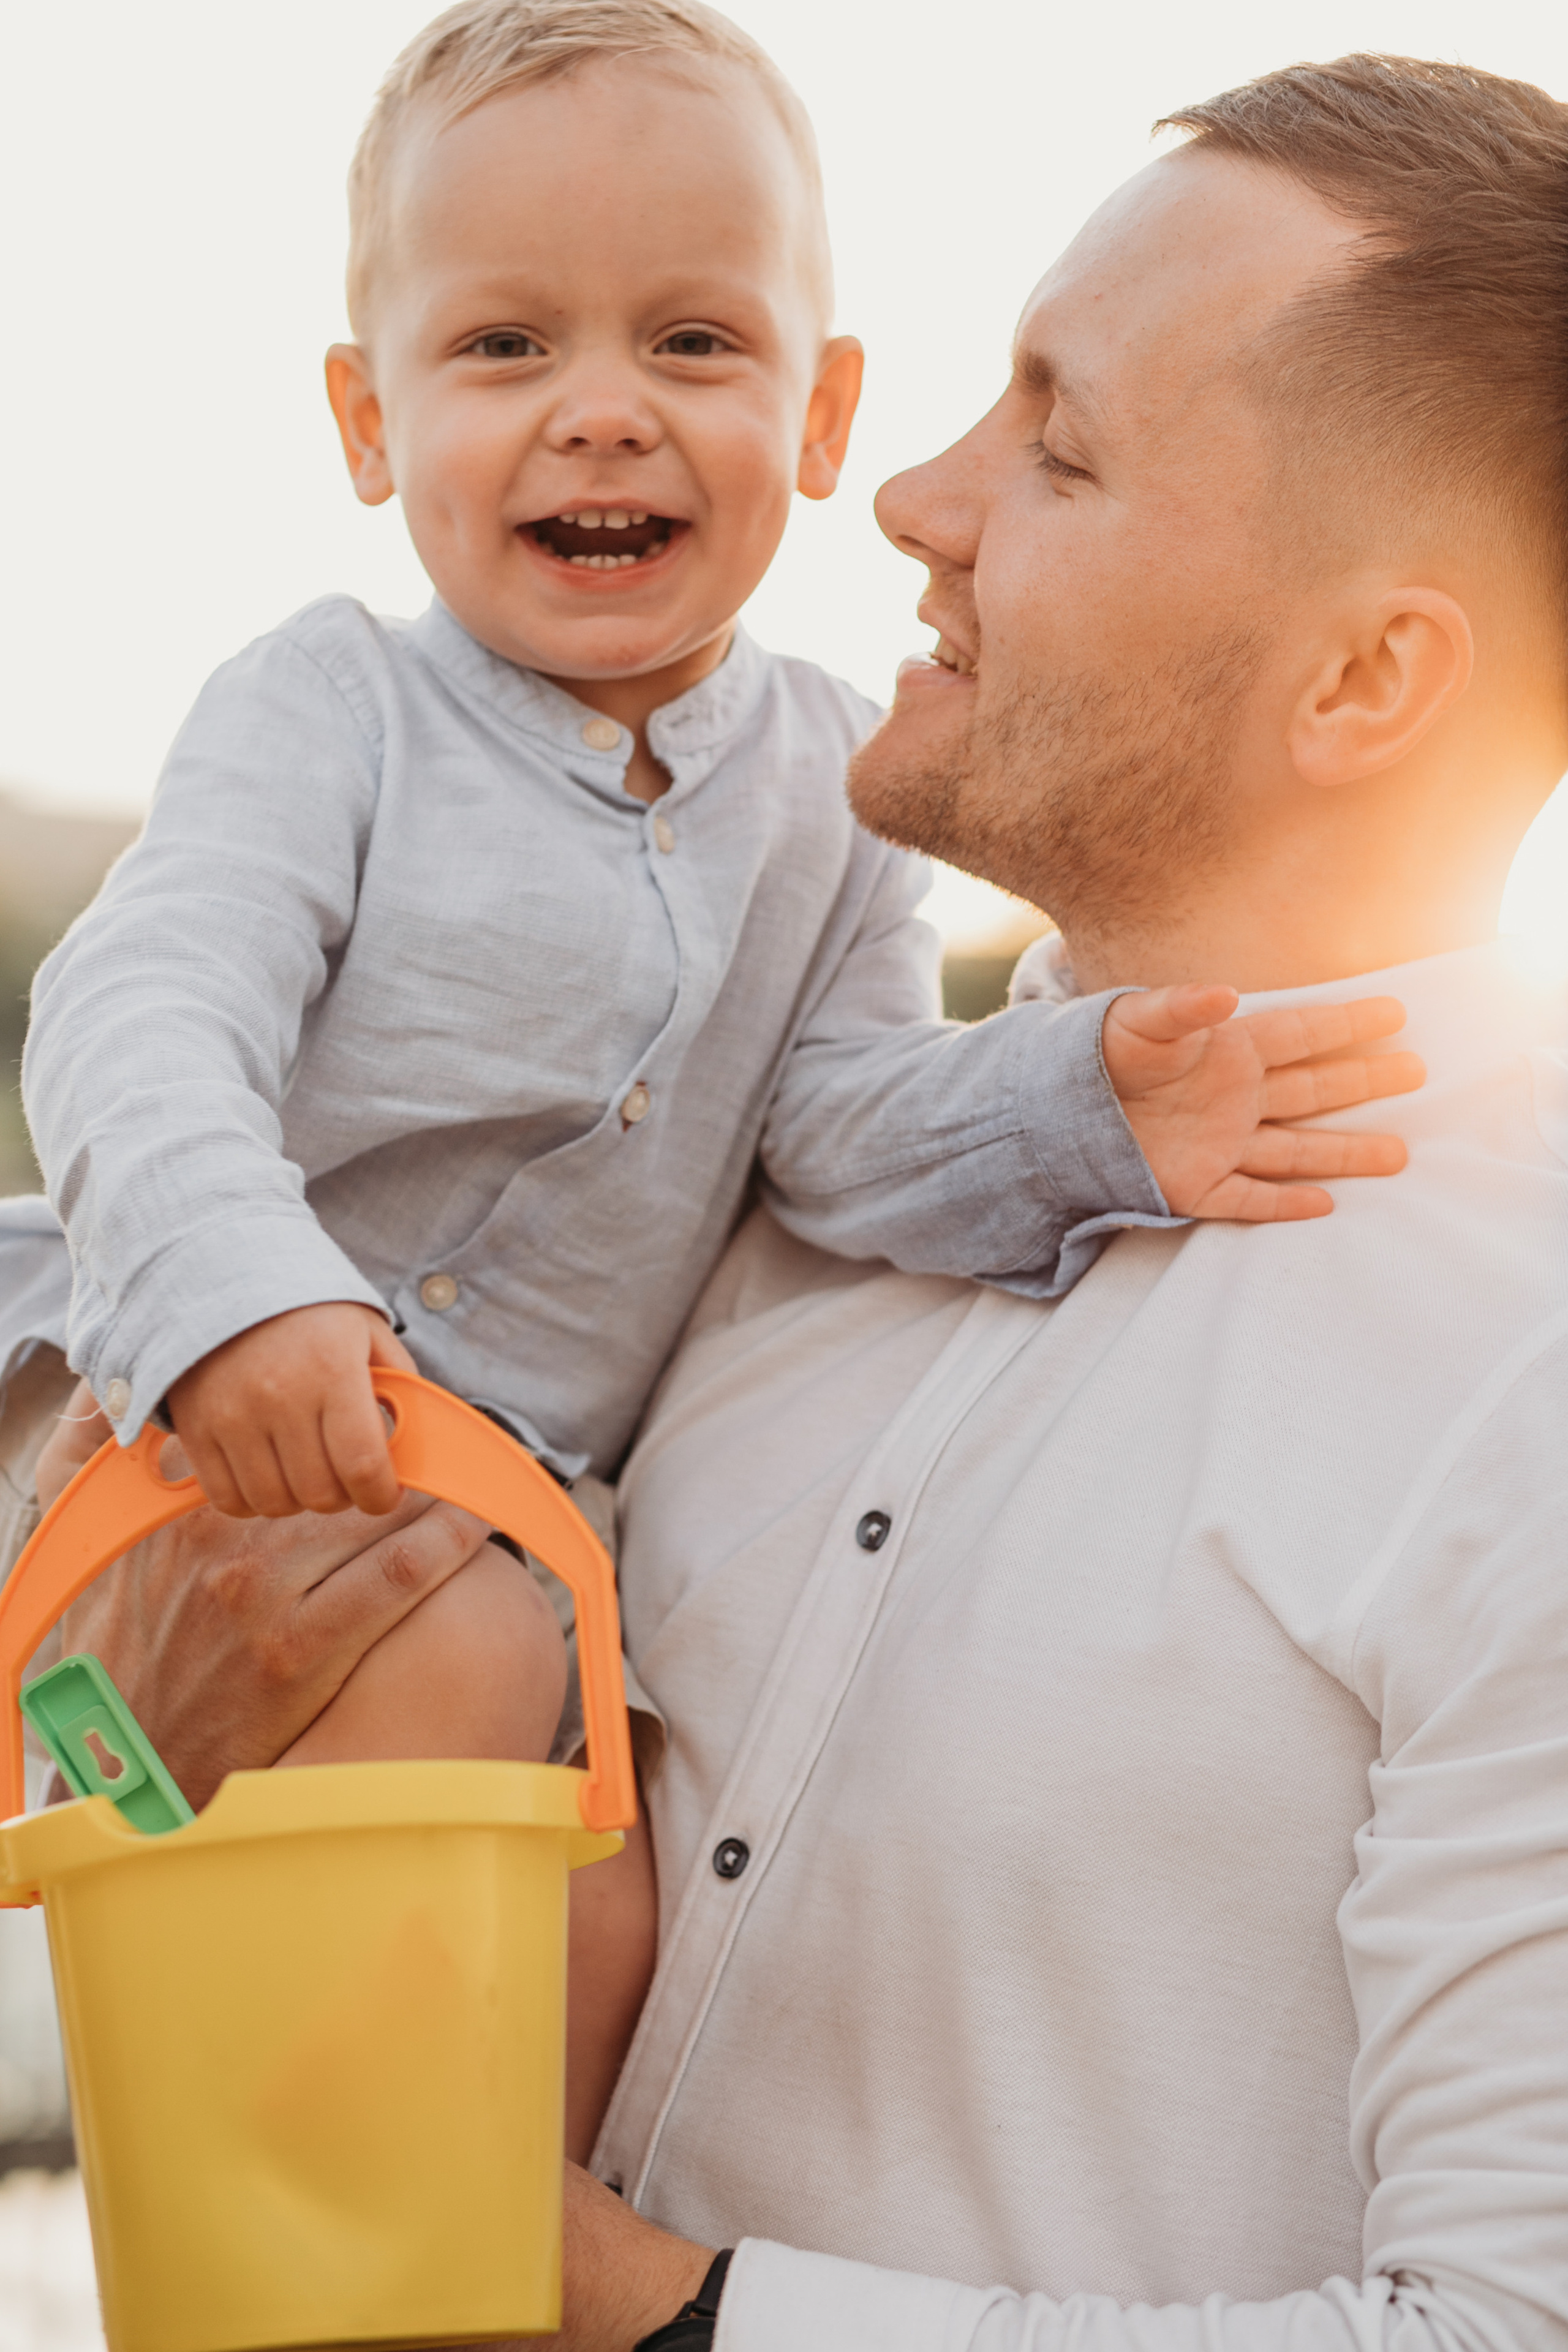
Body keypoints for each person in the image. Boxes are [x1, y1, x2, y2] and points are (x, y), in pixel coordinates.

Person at [7, 42, 1566, 2352]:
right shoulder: (740, 1200)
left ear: (1366, 677)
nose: (911, 496)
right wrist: (100, 1747)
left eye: (1057, 443)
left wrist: (649, 2314)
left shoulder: (1514, 1380)